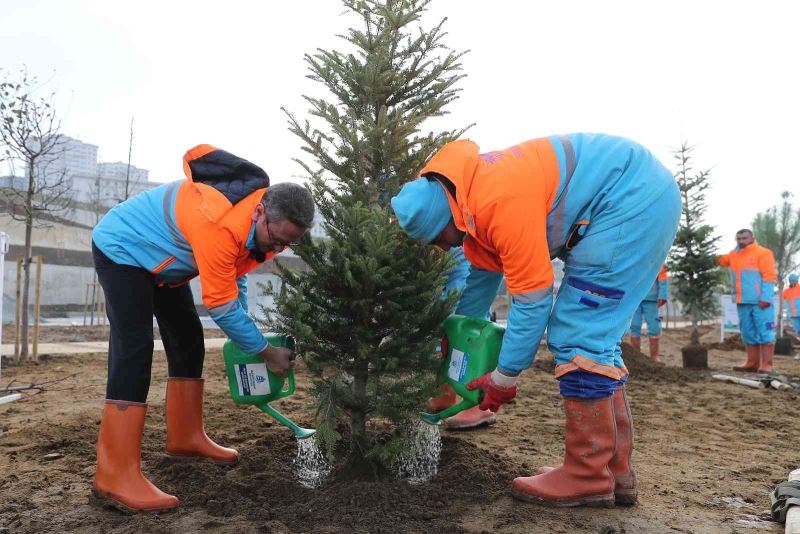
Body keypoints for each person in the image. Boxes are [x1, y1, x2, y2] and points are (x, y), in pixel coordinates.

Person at [391, 133, 680, 507]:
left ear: (448, 216)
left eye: (438, 238)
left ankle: (586, 474)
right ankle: (611, 470)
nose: (443, 247)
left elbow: (532, 299)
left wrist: (504, 377)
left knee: (579, 335)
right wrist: (453, 349)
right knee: (595, 343)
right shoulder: (471, 196)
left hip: (628, 201)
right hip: (636, 192)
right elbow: (477, 291)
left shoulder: (496, 201)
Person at [90, 144, 315, 512]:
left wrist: (250, 339)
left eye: (289, 243)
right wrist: (265, 351)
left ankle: (185, 436)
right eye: (278, 240)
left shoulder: (263, 226)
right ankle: (113, 475)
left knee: (189, 340)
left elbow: (235, 278)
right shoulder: (220, 223)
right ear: (261, 212)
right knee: (135, 349)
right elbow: (222, 307)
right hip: (124, 249)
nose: (280, 247)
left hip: (165, 262)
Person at [427, 246, 499, 429]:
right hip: (449, 249)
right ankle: (445, 393)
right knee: (445, 323)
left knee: (466, 323)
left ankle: (477, 406)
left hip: (467, 253)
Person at [718, 229, 777, 373]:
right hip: (742, 301)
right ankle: (752, 363)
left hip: (760, 301)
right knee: (748, 332)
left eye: (744, 238)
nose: (741, 241)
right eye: (738, 239)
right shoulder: (733, 255)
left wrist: (766, 297)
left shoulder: (763, 253)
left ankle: (767, 365)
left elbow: (769, 277)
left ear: (752, 238)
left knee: (765, 331)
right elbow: (720, 260)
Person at [628, 264, 668, 362]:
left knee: (654, 326)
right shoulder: (633, 258)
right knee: (634, 325)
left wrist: (662, 295)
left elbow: (663, 279)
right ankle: (636, 357)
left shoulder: (659, 259)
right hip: (634, 298)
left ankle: (654, 356)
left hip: (652, 299)